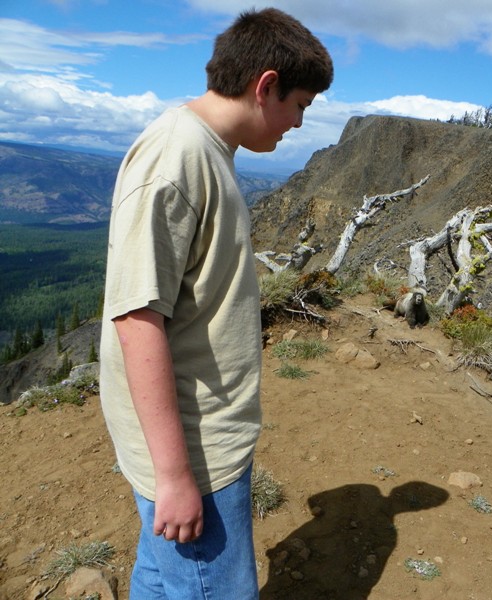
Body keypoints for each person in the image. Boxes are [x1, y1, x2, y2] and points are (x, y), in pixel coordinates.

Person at [99, 8, 333, 599]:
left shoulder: (209, 148)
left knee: (162, 576)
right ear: (266, 86)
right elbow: (136, 317)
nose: (300, 122)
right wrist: (176, 476)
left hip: (197, 434)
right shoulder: (176, 159)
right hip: (195, 447)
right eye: (300, 104)